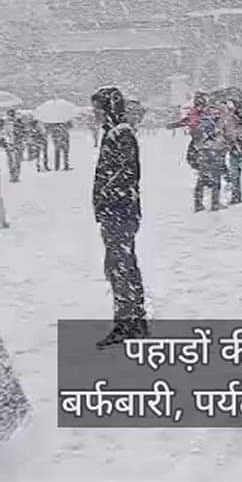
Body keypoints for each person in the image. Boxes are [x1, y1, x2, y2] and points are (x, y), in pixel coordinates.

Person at [91, 86, 147, 347]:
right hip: (116, 210)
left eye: (99, 110)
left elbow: (127, 173)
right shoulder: (114, 133)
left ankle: (128, 321)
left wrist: (105, 196)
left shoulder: (121, 134)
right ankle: (133, 319)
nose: (96, 115)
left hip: (119, 210)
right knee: (121, 264)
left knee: (120, 266)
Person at [1, 109, 24, 183]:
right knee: (12, 160)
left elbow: (22, 132)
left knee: (16, 160)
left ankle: (16, 175)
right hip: (10, 143)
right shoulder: (5, 123)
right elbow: (4, 133)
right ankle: (13, 175)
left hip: (16, 143)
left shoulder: (18, 122)